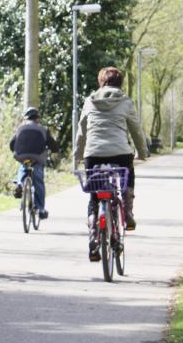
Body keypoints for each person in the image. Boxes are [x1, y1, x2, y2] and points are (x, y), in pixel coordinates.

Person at [74, 66, 147, 261]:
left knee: (94, 197)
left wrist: (78, 156)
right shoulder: (125, 102)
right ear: (120, 83)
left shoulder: (89, 101)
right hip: (120, 154)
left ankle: (93, 235)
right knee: (128, 172)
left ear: (101, 82)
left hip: (94, 155)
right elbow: (136, 130)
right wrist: (142, 152)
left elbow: (81, 132)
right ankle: (128, 210)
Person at [9, 107, 59, 219]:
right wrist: (55, 150)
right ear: (38, 118)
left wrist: (17, 151)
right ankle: (40, 208)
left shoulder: (20, 128)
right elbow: (53, 145)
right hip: (37, 157)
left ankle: (20, 184)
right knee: (38, 181)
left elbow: (12, 144)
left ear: (26, 118)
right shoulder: (43, 129)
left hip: (21, 155)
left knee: (23, 166)